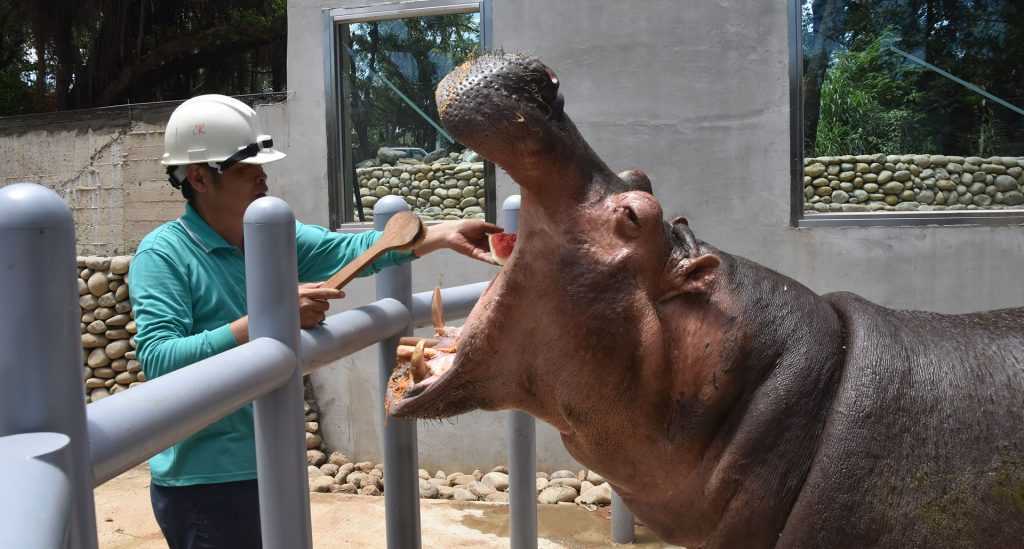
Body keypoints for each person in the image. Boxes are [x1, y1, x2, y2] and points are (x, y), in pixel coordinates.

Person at [128, 94, 500, 549]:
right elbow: (159, 360)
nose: (264, 176)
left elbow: (351, 252)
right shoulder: (163, 255)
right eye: (248, 169)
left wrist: (441, 234)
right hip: (206, 481)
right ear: (200, 177)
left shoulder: (270, 231)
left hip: (272, 457)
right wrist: (270, 318)